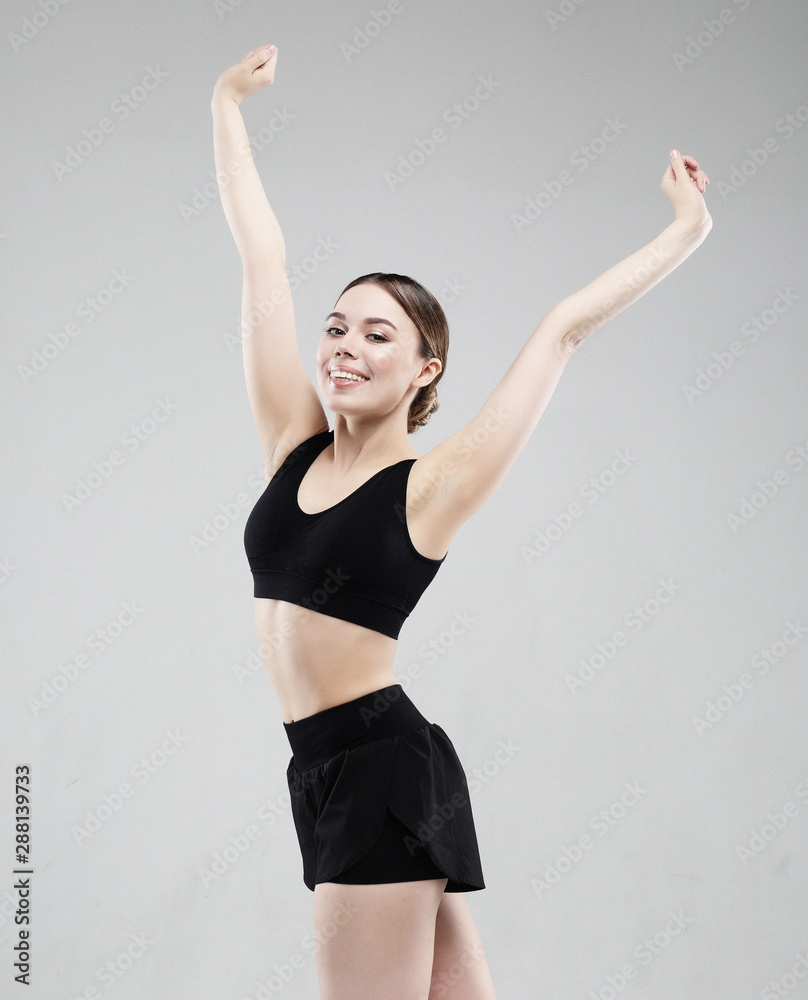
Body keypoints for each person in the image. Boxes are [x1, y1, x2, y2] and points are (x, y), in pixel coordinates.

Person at [211, 43, 712, 1000]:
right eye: (336, 326)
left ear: (426, 368)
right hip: (328, 767)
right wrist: (227, 106)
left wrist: (685, 228)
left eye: (378, 334)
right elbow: (260, 255)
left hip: (379, 769)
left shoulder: (429, 487)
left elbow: (562, 328)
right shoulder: (292, 441)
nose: (345, 347)